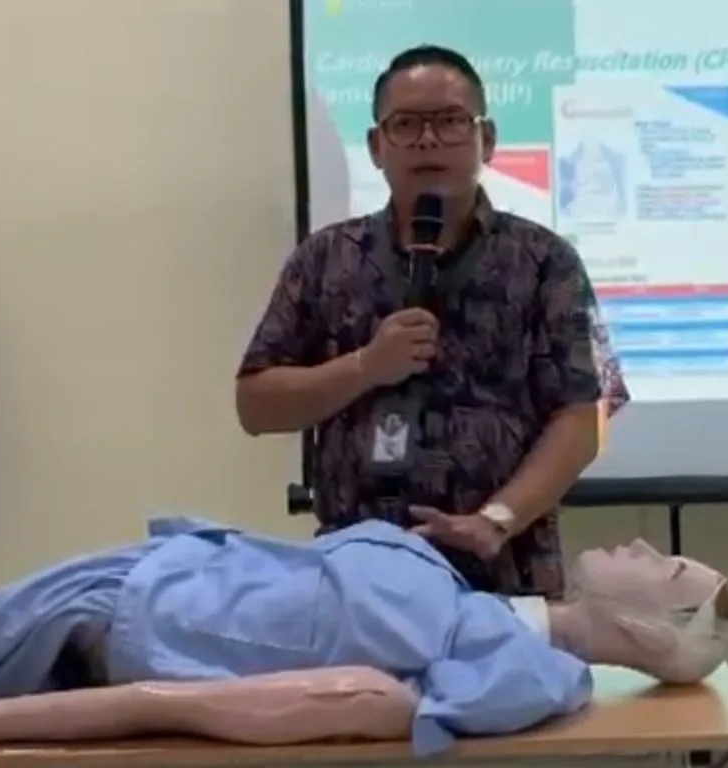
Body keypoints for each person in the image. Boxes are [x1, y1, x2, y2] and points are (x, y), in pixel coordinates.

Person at [236, 45, 631, 598]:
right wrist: (365, 366)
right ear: (376, 146)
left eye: (449, 121)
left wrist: (496, 520)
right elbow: (255, 404)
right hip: (356, 577)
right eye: (405, 125)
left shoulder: (544, 261)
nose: (427, 140)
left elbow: (585, 414)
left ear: (485, 139)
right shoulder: (326, 258)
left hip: (504, 572)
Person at [0, 517, 728, 756]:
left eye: (665, 569)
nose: (643, 545)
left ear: (641, 627)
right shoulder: (473, 606)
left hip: (137, 618)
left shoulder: (514, 667)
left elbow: (326, 702)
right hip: (154, 577)